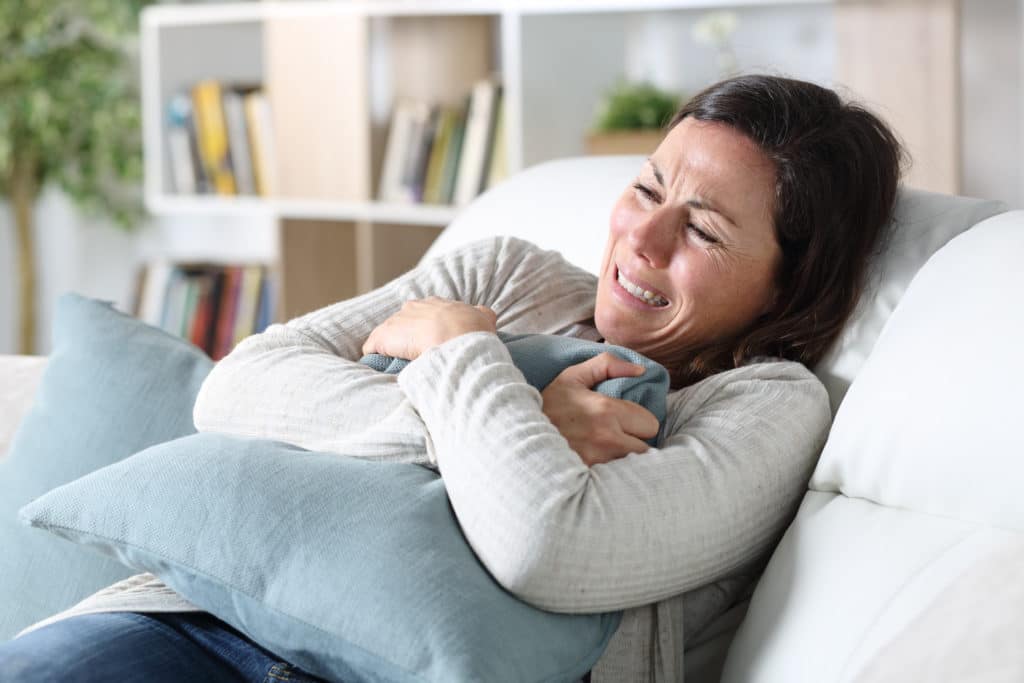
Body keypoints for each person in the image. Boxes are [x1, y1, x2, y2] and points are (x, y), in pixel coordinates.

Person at [1, 74, 904, 682]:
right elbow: (240, 386)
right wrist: (509, 414)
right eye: (647, 188)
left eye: (703, 230)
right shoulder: (505, 276)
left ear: (793, 283)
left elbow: (549, 543)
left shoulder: (767, 406)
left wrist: (461, 352)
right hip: (189, 620)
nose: (644, 238)